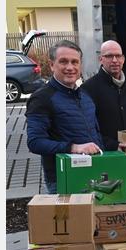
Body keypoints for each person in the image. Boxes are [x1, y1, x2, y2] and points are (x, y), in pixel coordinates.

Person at [26, 40, 103, 194]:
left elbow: (94, 133)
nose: (70, 67)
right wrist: (74, 148)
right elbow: (35, 142)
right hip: (63, 178)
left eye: (75, 62)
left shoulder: (85, 95)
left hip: (94, 173)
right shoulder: (41, 98)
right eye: (63, 62)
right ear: (52, 64)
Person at [81, 40, 126, 196]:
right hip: (108, 159)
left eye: (118, 56)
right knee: (113, 203)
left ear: (123, 59)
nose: (114, 60)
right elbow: (88, 128)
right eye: (109, 56)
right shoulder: (89, 88)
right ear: (101, 59)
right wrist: (112, 144)